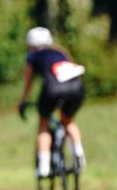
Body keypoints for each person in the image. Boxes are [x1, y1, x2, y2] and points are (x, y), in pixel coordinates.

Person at [17, 27, 86, 176]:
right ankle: (78, 153)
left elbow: (28, 81)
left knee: (44, 123)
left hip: (52, 89)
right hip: (77, 88)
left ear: (30, 44)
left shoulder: (34, 55)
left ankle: (43, 166)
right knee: (68, 121)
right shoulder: (61, 52)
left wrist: (23, 100)